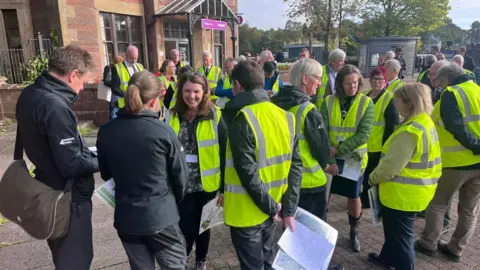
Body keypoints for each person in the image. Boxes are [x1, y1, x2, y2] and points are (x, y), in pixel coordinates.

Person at [15, 45, 99, 269]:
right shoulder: (54, 106)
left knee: (63, 256)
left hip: (46, 188)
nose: (81, 89)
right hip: (67, 198)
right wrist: (103, 160)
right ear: (73, 74)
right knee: (75, 261)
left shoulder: (30, 93)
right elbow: (71, 164)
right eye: (83, 82)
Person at [96, 71, 189, 270]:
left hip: (126, 218)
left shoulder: (106, 131)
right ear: (155, 100)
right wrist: (172, 202)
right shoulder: (162, 131)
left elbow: (105, 173)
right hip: (161, 216)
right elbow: (181, 176)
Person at [223, 61, 302, 270]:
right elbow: (296, 167)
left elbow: (247, 173)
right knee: (267, 261)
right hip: (273, 208)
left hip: (247, 212)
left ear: (237, 85)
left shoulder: (242, 118)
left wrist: (273, 207)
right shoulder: (287, 117)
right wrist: (288, 209)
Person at [367, 83, 441, 270]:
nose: (395, 104)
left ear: (410, 103)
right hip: (416, 191)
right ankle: (387, 258)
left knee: (401, 238)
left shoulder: (409, 132)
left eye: (398, 100)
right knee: (395, 233)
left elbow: (389, 168)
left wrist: (371, 178)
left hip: (402, 195)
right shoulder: (424, 121)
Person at [415, 63, 480, 263]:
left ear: (447, 78)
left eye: (439, 81)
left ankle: (429, 243)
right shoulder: (477, 90)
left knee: (437, 204)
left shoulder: (452, 94)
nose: (438, 86)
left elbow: (456, 127)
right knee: (469, 209)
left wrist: (476, 146)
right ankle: (456, 248)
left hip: (455, 163)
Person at [166, 72, 227, 270]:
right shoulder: (172, 114)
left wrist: (224, 188)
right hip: (182, 183)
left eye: (196, 91)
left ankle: (201, 259)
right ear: (180, 92)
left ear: (204, 92)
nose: (191, 96)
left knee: (205, 226)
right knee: (186, 227)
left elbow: (225, 151)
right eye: (187, 91)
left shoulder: (215, 114)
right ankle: (181, 260)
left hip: (208, 184)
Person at [321, 64, 374, 253]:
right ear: (340, 84)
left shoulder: (366, 103)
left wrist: (338, 149)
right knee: (325, 193)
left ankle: (354, 230)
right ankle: (323, 229)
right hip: (331, 155)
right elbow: (323, 130)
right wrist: (332, 158)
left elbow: (363, 135)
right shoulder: (327, 101)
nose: (352, 86)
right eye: (348, 83)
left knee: (353, 195)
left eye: (356, 82)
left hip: (354, 157)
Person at [272, 58, 330, 221]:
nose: (319, 83)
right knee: (313, 234)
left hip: (283, 181)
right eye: (317, 78)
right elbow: (321, 148)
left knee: (290, 231)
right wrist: (326, 163)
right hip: (309, 183)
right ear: (305, 79)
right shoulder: (308, 110)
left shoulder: (274, 105)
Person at [360, 67, 400, 208]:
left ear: (386, 81)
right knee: (363, 174)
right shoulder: (363, 95)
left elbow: (392, 126)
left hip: (378, 146)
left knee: (372, 176)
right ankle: (364, 198)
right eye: (374, 79)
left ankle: (369, 201)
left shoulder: (389, 98)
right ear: (369, 81)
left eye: (381, 79)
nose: (377, 82)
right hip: (363, 144)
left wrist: (386, 147)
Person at [111, 45, 144, 110]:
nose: (134, 61)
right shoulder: (117, 68)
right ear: (126, 56)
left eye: (136, 58)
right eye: (131, 58)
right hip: (124, 104)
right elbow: (115, 88)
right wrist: (129, 96)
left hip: (139, 102)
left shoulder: (140, 66)